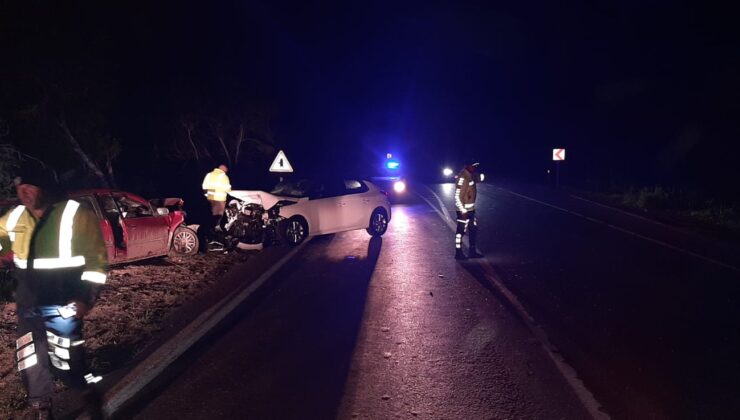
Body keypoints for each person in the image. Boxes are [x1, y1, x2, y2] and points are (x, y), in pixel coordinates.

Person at [0, 161, 108, 419]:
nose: (24, 193)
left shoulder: (75, 214)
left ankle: (87, 390)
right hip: (28, 304)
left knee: (67, 360)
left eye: (30, 187)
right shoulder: (15, 216)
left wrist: (85, 298)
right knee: (30, 359)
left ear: (45, 188)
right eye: (20, 187)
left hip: (63, 302)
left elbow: (96, 261)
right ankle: (42, 409)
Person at [454, 161, 484, 260]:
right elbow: (458, 196)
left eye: (476, 165)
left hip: (471, 210)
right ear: (468, 165)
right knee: (461, 232)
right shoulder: (463, 177)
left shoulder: (470, 175)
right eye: (473, 165)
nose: (475, 167)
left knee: (473, 230)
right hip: (463, 211)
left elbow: (479, 178)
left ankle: (472, 251)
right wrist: (462, 211)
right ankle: (458, 253)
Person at [201, 164, 232, 236]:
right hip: (219, 199)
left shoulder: (209, 175)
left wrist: (207, 195)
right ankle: (214, 230)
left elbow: (204, 186)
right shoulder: (223, 176)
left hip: (210, 198)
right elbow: (227, 189)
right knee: (218, 215)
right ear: (224, 170)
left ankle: (209, 228)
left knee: (211, 213)